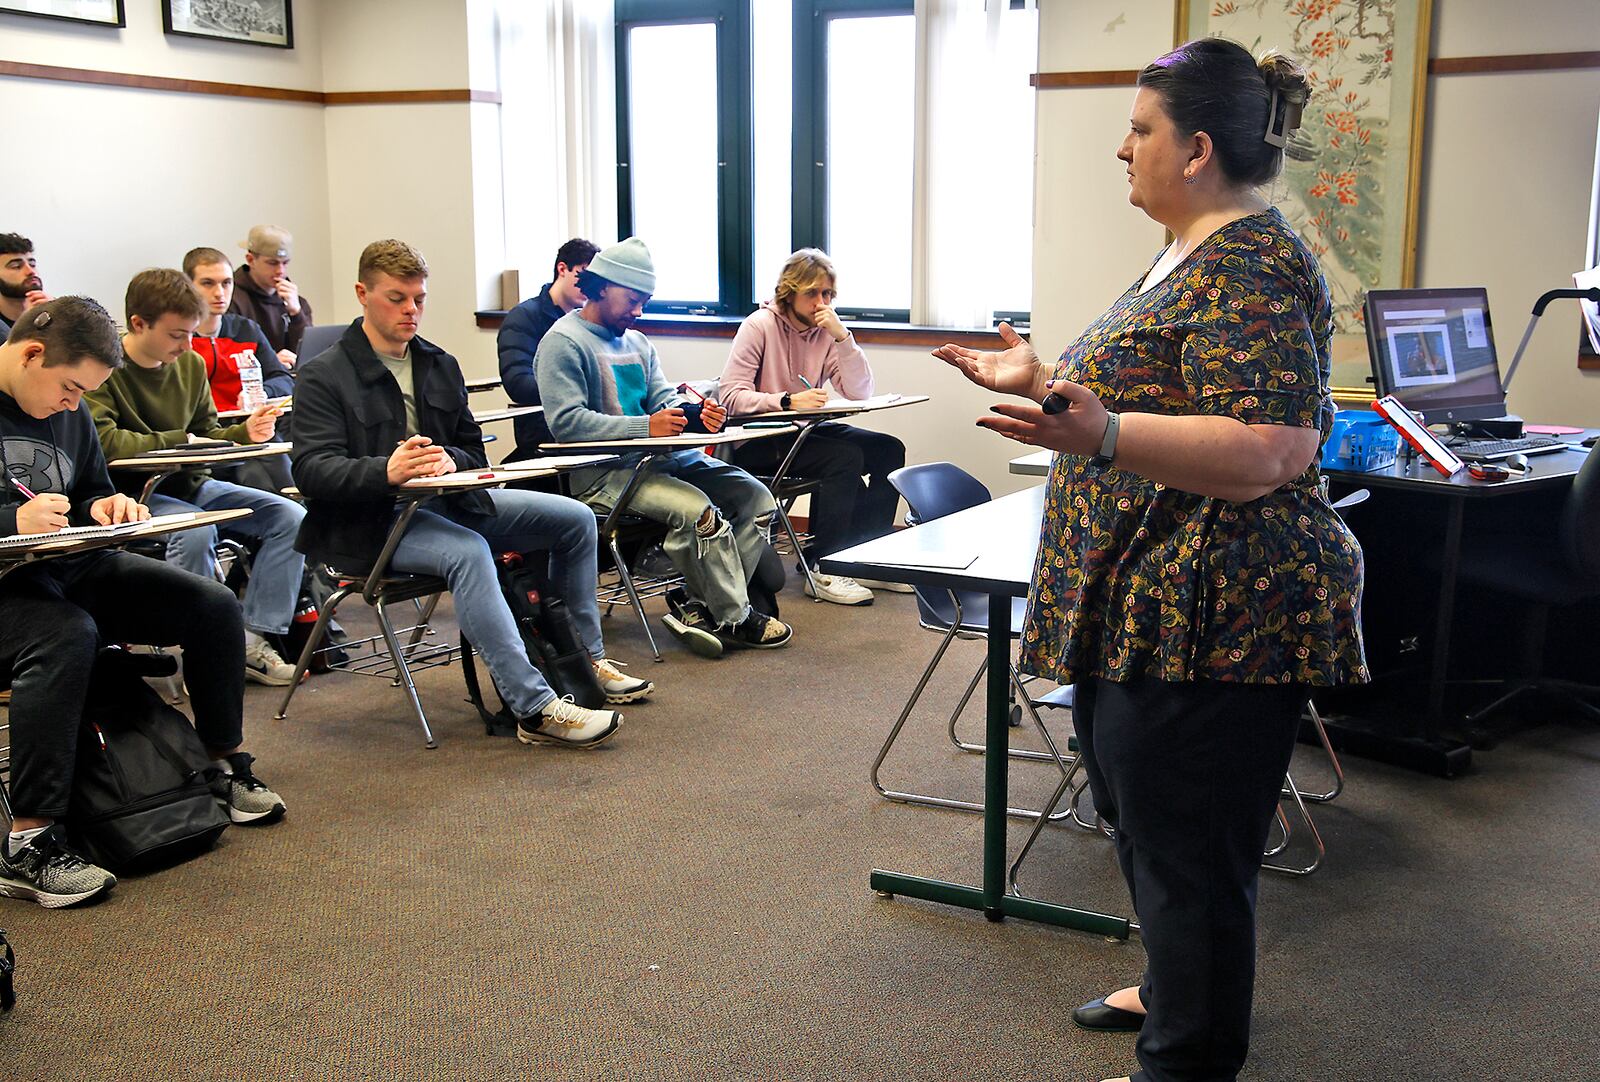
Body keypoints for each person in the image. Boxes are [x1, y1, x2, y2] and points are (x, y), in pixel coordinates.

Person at [931, 39, 1366, 1082]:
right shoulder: (1187, 252)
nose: (1118, 147)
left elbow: (1272, 445)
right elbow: (1152, 395)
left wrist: (1104, 433)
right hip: (1145, 599)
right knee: (1140, 812)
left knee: (1191, 851)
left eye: (1138, 129)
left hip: (1212, 607)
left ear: (1198, 148)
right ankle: (1176, 987)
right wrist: (1045, 381)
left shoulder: (1252, 260)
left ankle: (1187, 1057)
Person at [291, 239, 649, 747]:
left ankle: (585, 661)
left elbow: (472, 452)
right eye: (397, 298)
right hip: (370, 522)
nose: (411, 310)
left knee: (573, 519)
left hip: (448, 500)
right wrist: (385, 472)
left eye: (419, 298)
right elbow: (311, 471)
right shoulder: (323, 375)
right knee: (469, 552)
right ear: (361, 294)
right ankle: (535, 707)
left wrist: (448, 459)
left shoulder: (438, 363)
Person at [0, 297, 285, 908]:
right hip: (8, 590)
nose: (74, 405)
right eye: (71, 389)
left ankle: (222, 764)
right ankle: (29, 842)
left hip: (65, 565)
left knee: (210, 604)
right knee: (65, 633)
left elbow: (90, 491)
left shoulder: (68, 410)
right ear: (31, 354)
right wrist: (9, 517)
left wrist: (107, 506)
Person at [535, 237, 793, 659]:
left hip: (660, 462)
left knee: (758, 499)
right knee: (698, 512)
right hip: (604, 473)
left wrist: (698, 414)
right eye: (632, 299)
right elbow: (565, 424)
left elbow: (664, 402)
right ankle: (733, 617)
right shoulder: (562, 342)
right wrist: (645, 426)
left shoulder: (638, 344)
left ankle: (701, 606)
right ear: (600, 287)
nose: (639, 311)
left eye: (645, 300)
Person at [84, 268, 306, 687]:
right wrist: (178, 439)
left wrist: (245, 433)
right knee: (196, 532)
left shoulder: (187, 363)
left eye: (191, 333)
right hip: (134, 496)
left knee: (290, 517)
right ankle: (206, 648)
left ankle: (248, 642)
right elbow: (105, 441)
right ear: (138, 324)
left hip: (191, 485)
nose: (188, 345)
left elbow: (207, 430)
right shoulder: (105, 367)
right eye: (176, 335)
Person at [718, 248, 909, 606]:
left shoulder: (825, 332)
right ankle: (820, 564)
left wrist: (842, 337)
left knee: (888, 448)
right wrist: (787, 401)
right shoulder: (758, 326)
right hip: (761, 437)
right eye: (812, 293)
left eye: (827, 295)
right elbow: (730, 397)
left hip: (805, 432)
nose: (821, 302)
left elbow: (860, 391)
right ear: (789, 292)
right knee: (844, 457)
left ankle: (865, 555)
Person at [497, 237, 599, 456]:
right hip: (544, 428)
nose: (589, 287)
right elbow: (518, 384)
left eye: (596, 280)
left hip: (589, 422)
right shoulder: (524, 317)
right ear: (562, 269)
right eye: (583, 275)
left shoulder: (589, 322)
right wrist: (577, 387)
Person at [185, 246, 295, 412]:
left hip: (248, 425)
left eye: (226, 283)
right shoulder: (177, 335)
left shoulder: (246, 330)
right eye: (208, 283)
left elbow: (283, 379)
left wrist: (262, 392)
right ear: (188, 286)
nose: (219, 293)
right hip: (198, 431)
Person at [228, 224, 313, 367]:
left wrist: (296, 314)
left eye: (285, 263)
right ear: (250, 260)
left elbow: (309, 356)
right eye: (272, 263)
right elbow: (230, 355)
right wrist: (270, 362)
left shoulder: (297, 302)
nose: (280, 271)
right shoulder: (232, 299)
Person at [0, 233, 50, 341]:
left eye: (32, 265)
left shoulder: (52, 311)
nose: (31, 272)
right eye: (16, 266)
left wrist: (59, 314)